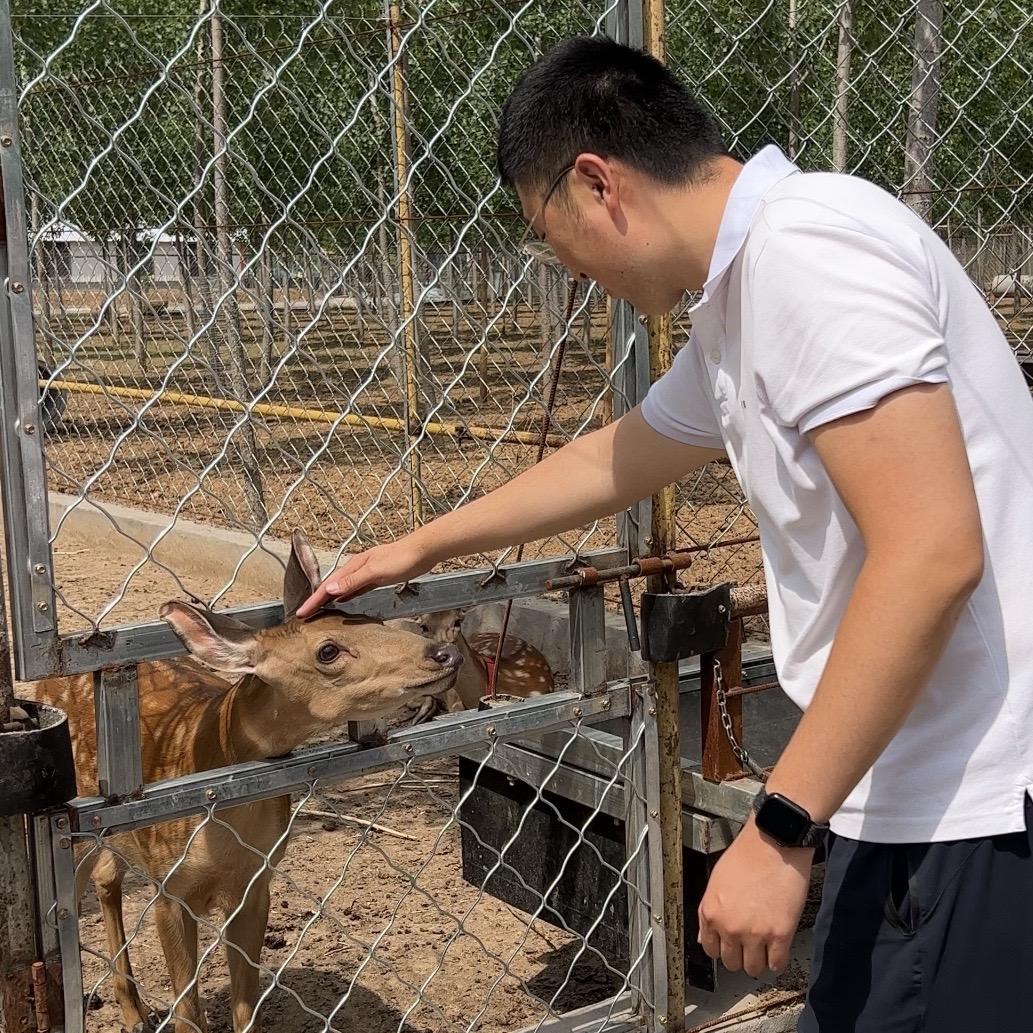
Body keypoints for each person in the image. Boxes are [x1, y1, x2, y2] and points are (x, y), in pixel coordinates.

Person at [299, 36, 1033, 1031]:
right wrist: (421, 546)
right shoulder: (743, 293)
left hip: (973, 806)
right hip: (899, 786)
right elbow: (628, 450)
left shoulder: (807, 255)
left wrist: (777, 826)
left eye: (547, 235)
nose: (565, 268)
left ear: (597, 183)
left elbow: (932, 552)